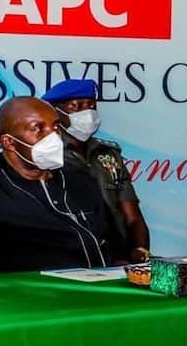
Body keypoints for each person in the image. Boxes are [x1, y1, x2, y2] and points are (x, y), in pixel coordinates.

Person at [0, 97, 118, 278]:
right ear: (9, 142)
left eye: (55, 127)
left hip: (104, 282)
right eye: (38, 129)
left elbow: (113, 239)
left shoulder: (79, 179)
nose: (53, 137)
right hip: (33, 290)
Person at [42, 80, 150, 263]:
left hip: (119, 256)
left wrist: (139, 251)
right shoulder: (46, 157)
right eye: (77, 106)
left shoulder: (109, 155)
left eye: (91, 106)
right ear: (56, 112)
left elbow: (133, 217)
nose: (87, 113)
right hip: (73, 257)